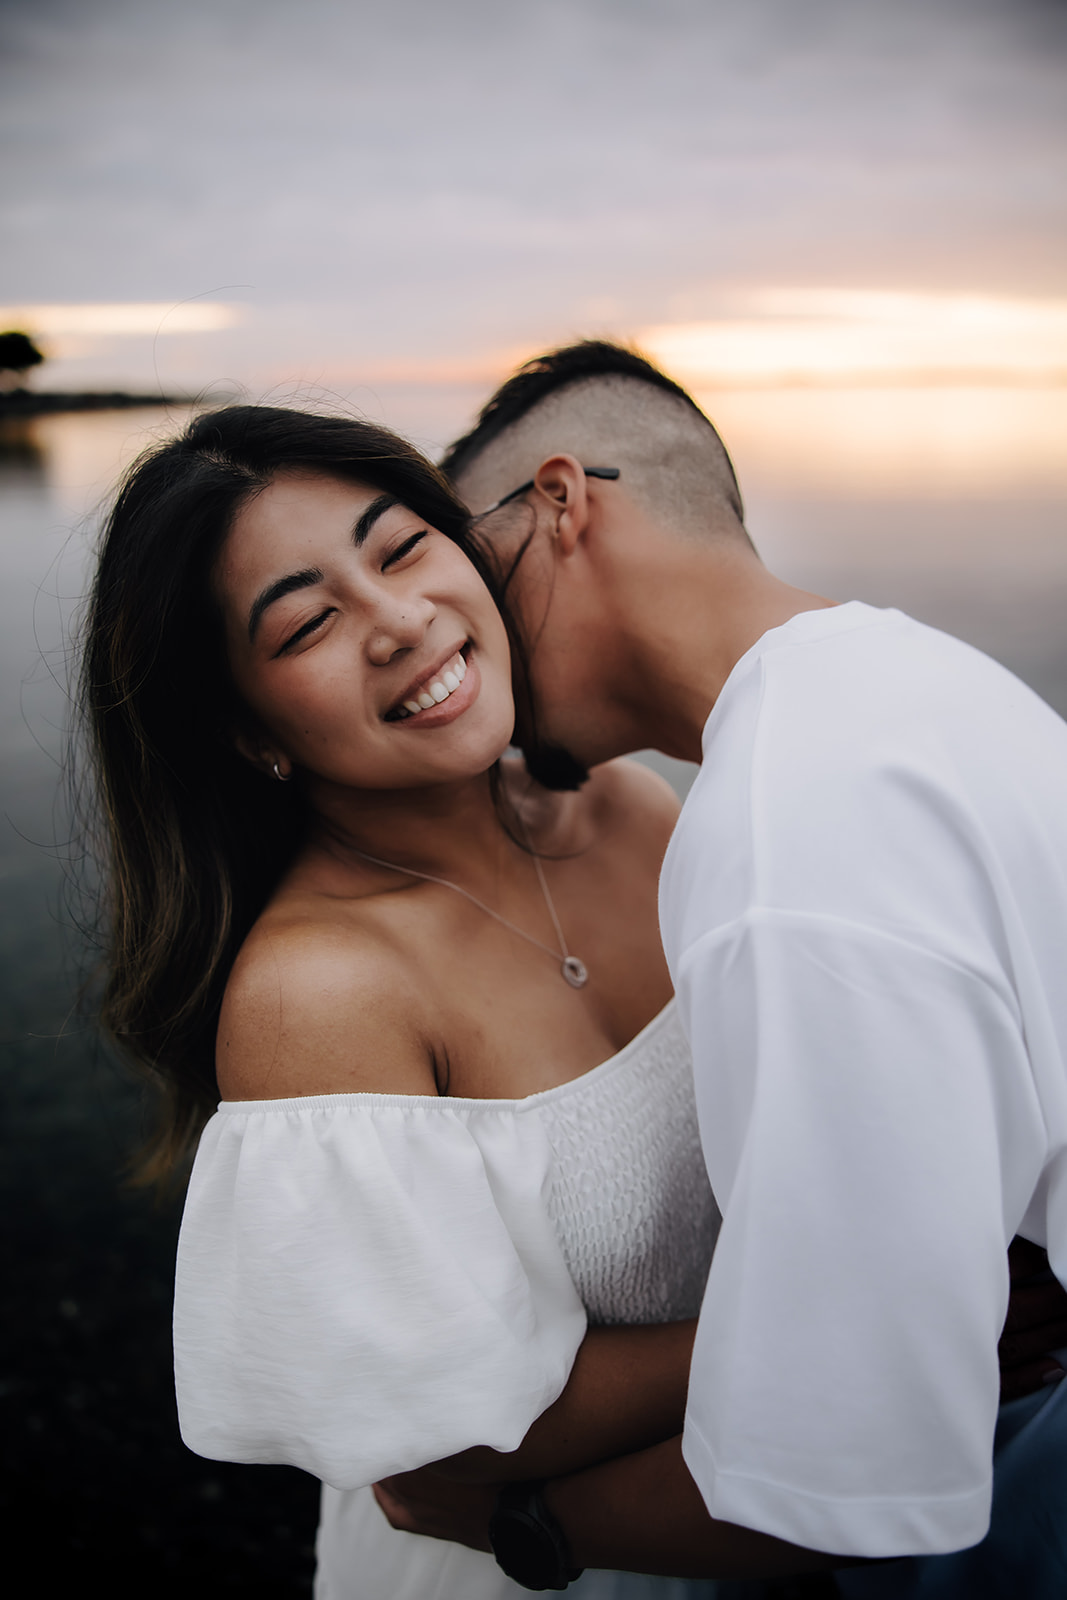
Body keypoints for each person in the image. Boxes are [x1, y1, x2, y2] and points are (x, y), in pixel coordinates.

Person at [375, 341, 1067, 1596]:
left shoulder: (786, 840)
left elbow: (847, 1479)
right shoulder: (924, 680)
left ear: (560, 500)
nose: (448, 634)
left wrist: (498, 1517)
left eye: (457, 566)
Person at [81, 402, 737, 1600]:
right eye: (308, 623)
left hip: (756, 1520)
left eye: (398, 549)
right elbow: (443, 1447)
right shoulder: (318, 993)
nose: (396, 620)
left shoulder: (634, 810)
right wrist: (852, 1319)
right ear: (246, 729)